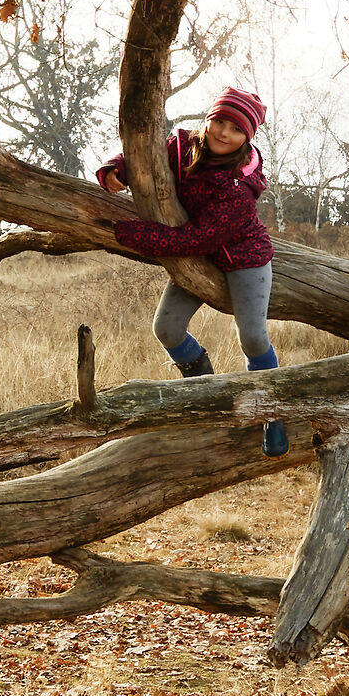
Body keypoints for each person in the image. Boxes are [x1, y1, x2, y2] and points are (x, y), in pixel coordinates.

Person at [97, 87, 287, 455]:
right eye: (219, 121)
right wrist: (113, 170)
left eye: (235, 128)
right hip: (199, 258)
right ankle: (207, 394)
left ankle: (272, 412)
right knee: (166, 328)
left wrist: (136, 234)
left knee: (251, 338)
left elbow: (198, 238)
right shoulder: (182, 146)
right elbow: (143, 159)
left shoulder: (239, 185)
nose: (223, 132)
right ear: (208, 119)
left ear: (247, 137)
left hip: (243, 258)